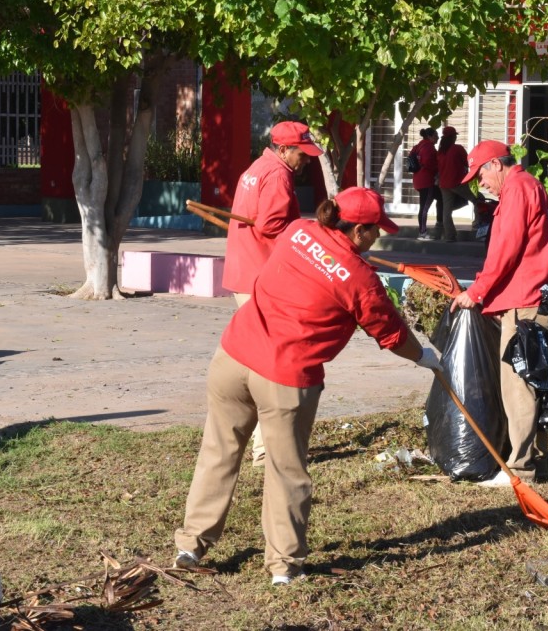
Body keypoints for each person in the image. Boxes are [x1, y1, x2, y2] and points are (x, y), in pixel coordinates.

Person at [174, 187, 442, 584]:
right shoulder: (360, 278)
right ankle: (283, 567)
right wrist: (423, 357)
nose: (377, 238)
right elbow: (389, 333)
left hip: (232, 357)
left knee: (218, 451)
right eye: (374, 231)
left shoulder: (298, 232)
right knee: (286, 471)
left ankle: (191, 544)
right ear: (356, 231)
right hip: (284, 377)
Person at [449, 140, 548, 486]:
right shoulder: (530, 185)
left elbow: (505, 250)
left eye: (480, 174)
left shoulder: (515, 190)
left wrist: (477, 291)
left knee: (519, 385)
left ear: (496, 165)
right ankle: (534, 461)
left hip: (525, 300)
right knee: (535, 381)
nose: (480, 183)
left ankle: (520, 469)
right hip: (536, 296)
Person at [221, 120, 323, 465]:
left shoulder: (257, 166)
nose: (306, 160)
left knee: (258, 357)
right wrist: (308, 235)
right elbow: (270, 225)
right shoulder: (278, 174)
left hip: (244, 272)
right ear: (283, 149)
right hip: (260, 277)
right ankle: (266, 449)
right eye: (302, 153)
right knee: (271, 362)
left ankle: (259, 442)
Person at [436, 126, 475, 242]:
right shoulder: (457, 149)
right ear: (453, 137)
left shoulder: (441, 151)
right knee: (477, 200)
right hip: (457, 182)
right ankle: (478, 224)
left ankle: (450, 236)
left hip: (444, 184)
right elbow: (468, 162)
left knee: (446, 211)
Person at [410, 127, 442, 240]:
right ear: (430, 136)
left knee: (441, 198)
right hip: (427, 181)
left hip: (418, 179)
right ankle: (422, 233)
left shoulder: (418, 146)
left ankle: (439, 223)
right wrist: (438, 170)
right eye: (436, 135)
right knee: (424, 208)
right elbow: (429, 163)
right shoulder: (428, 147)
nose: (438, 137)